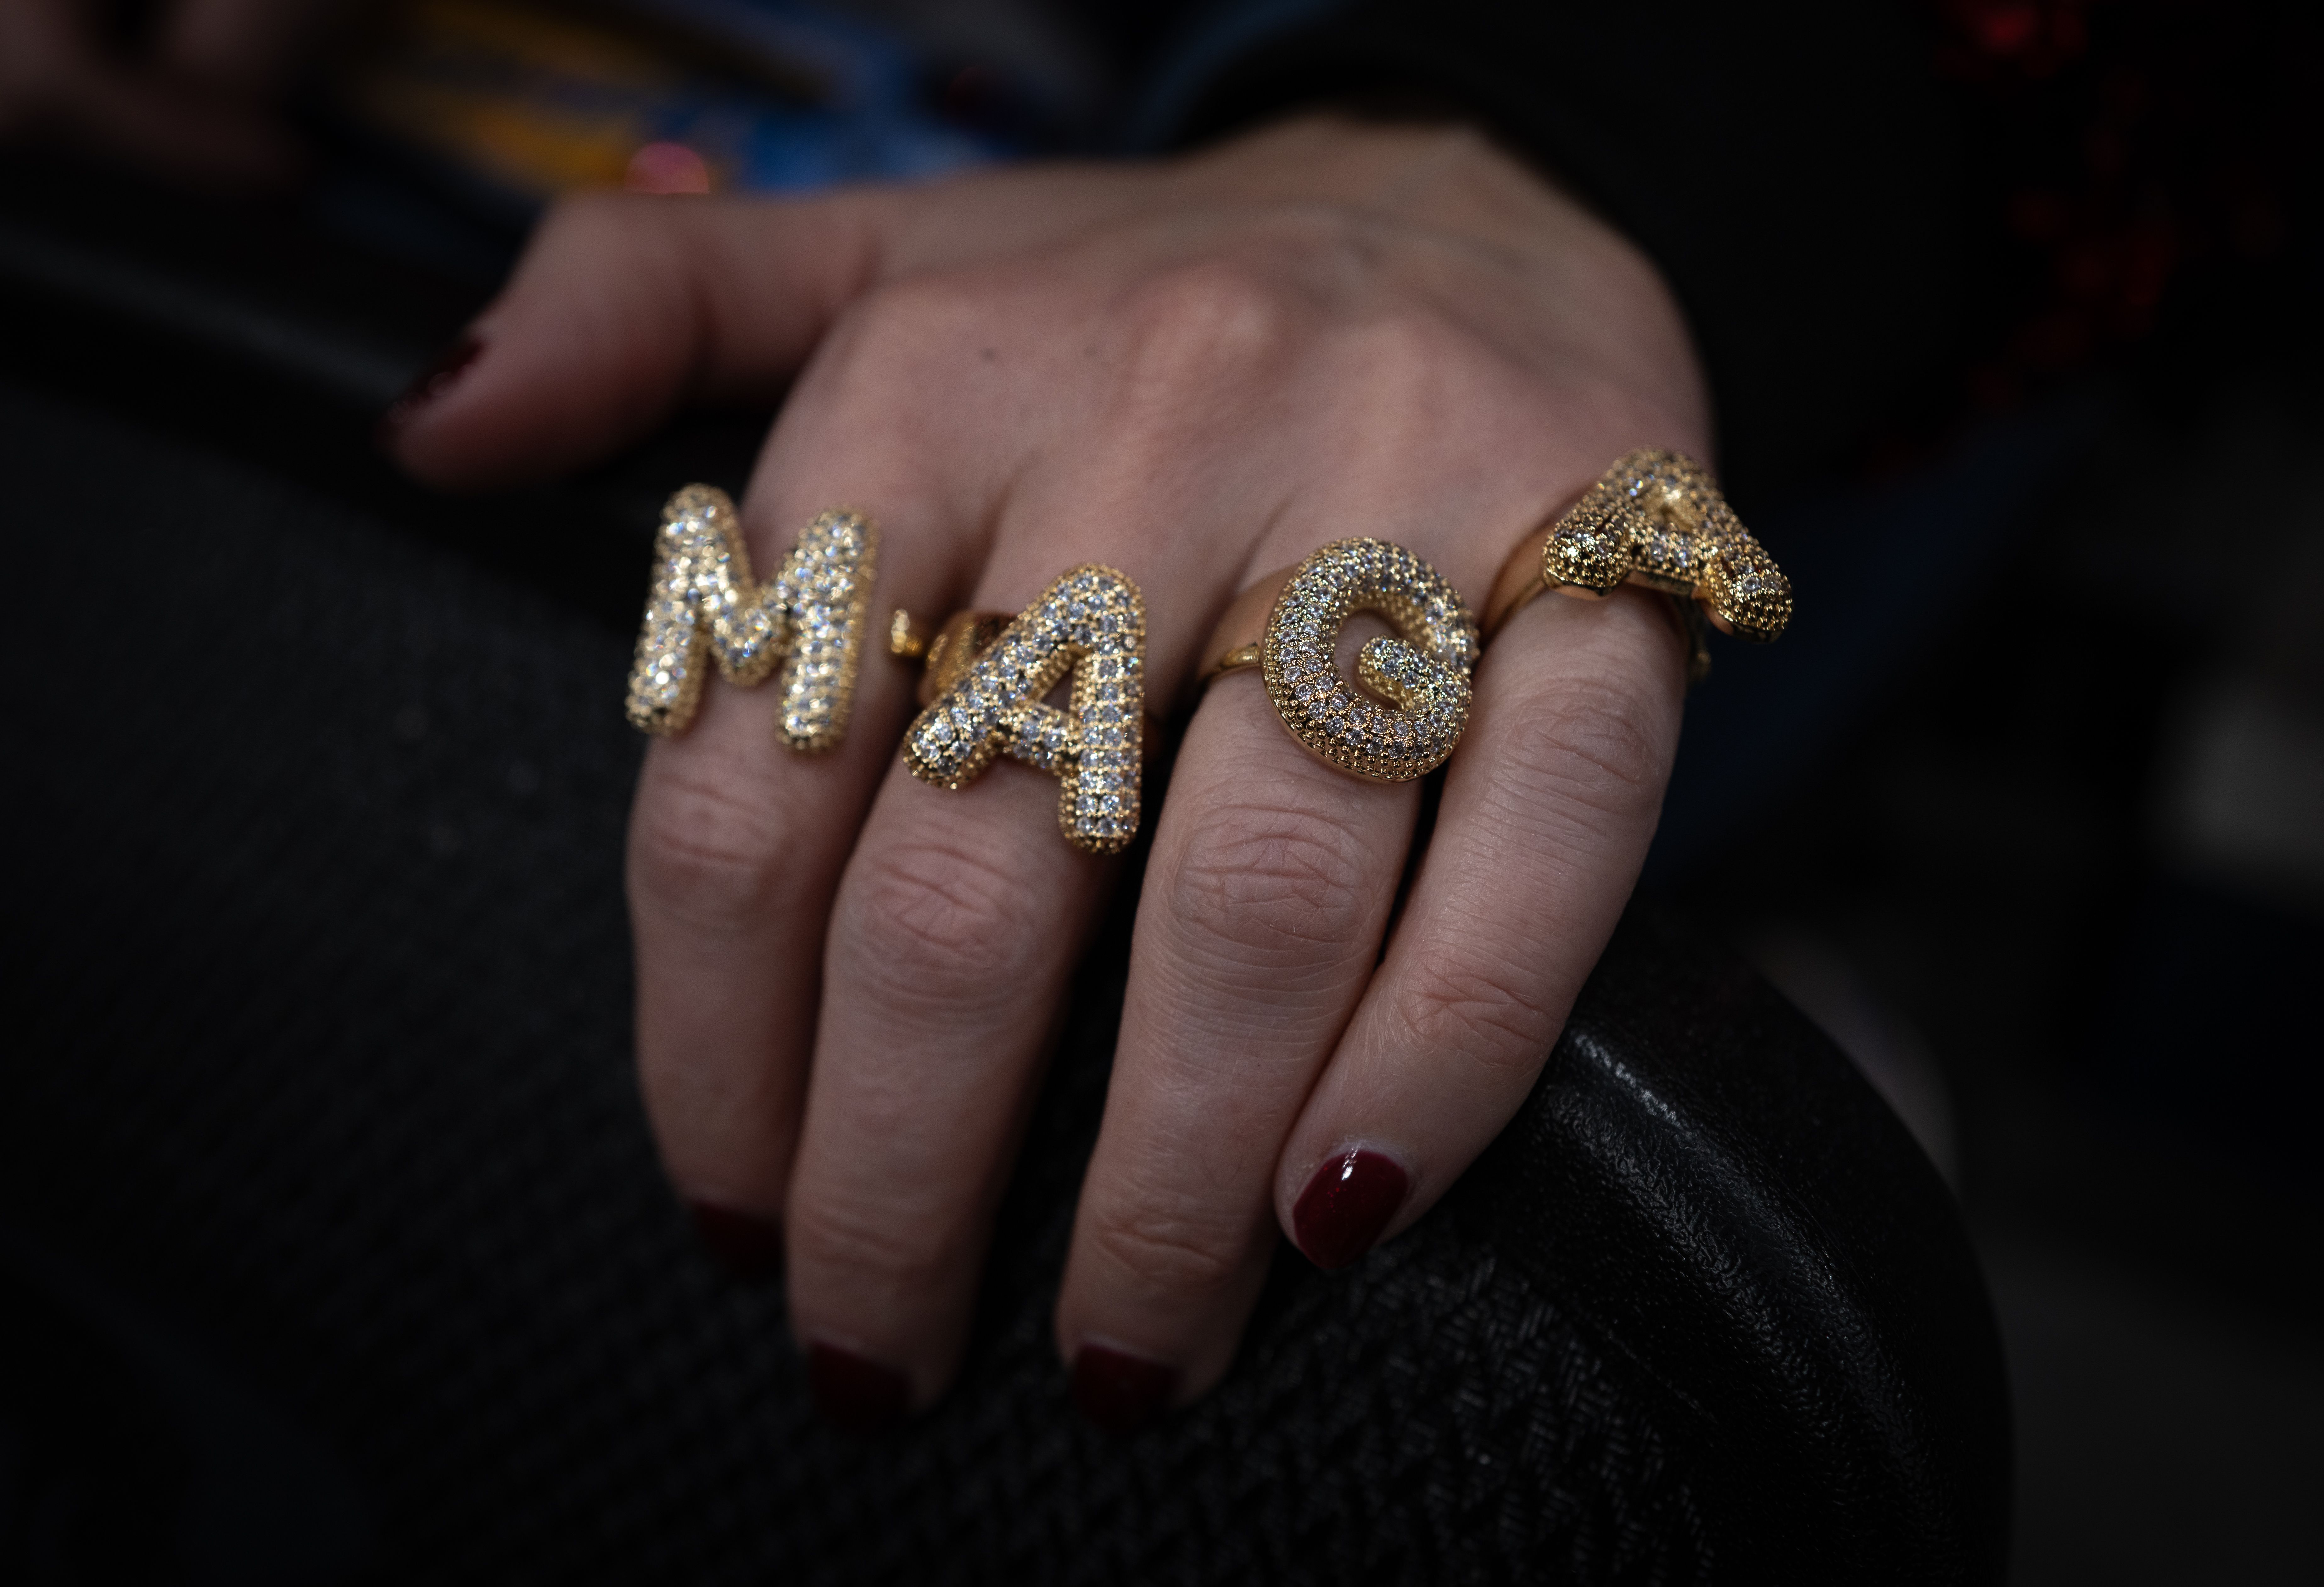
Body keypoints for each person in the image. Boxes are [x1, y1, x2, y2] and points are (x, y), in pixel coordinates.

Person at [5, 0, 1965, 1436]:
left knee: (1297, 956)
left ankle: (1734, 992)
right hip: (279, 255)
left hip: (1465, 239)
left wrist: (1527, 132)